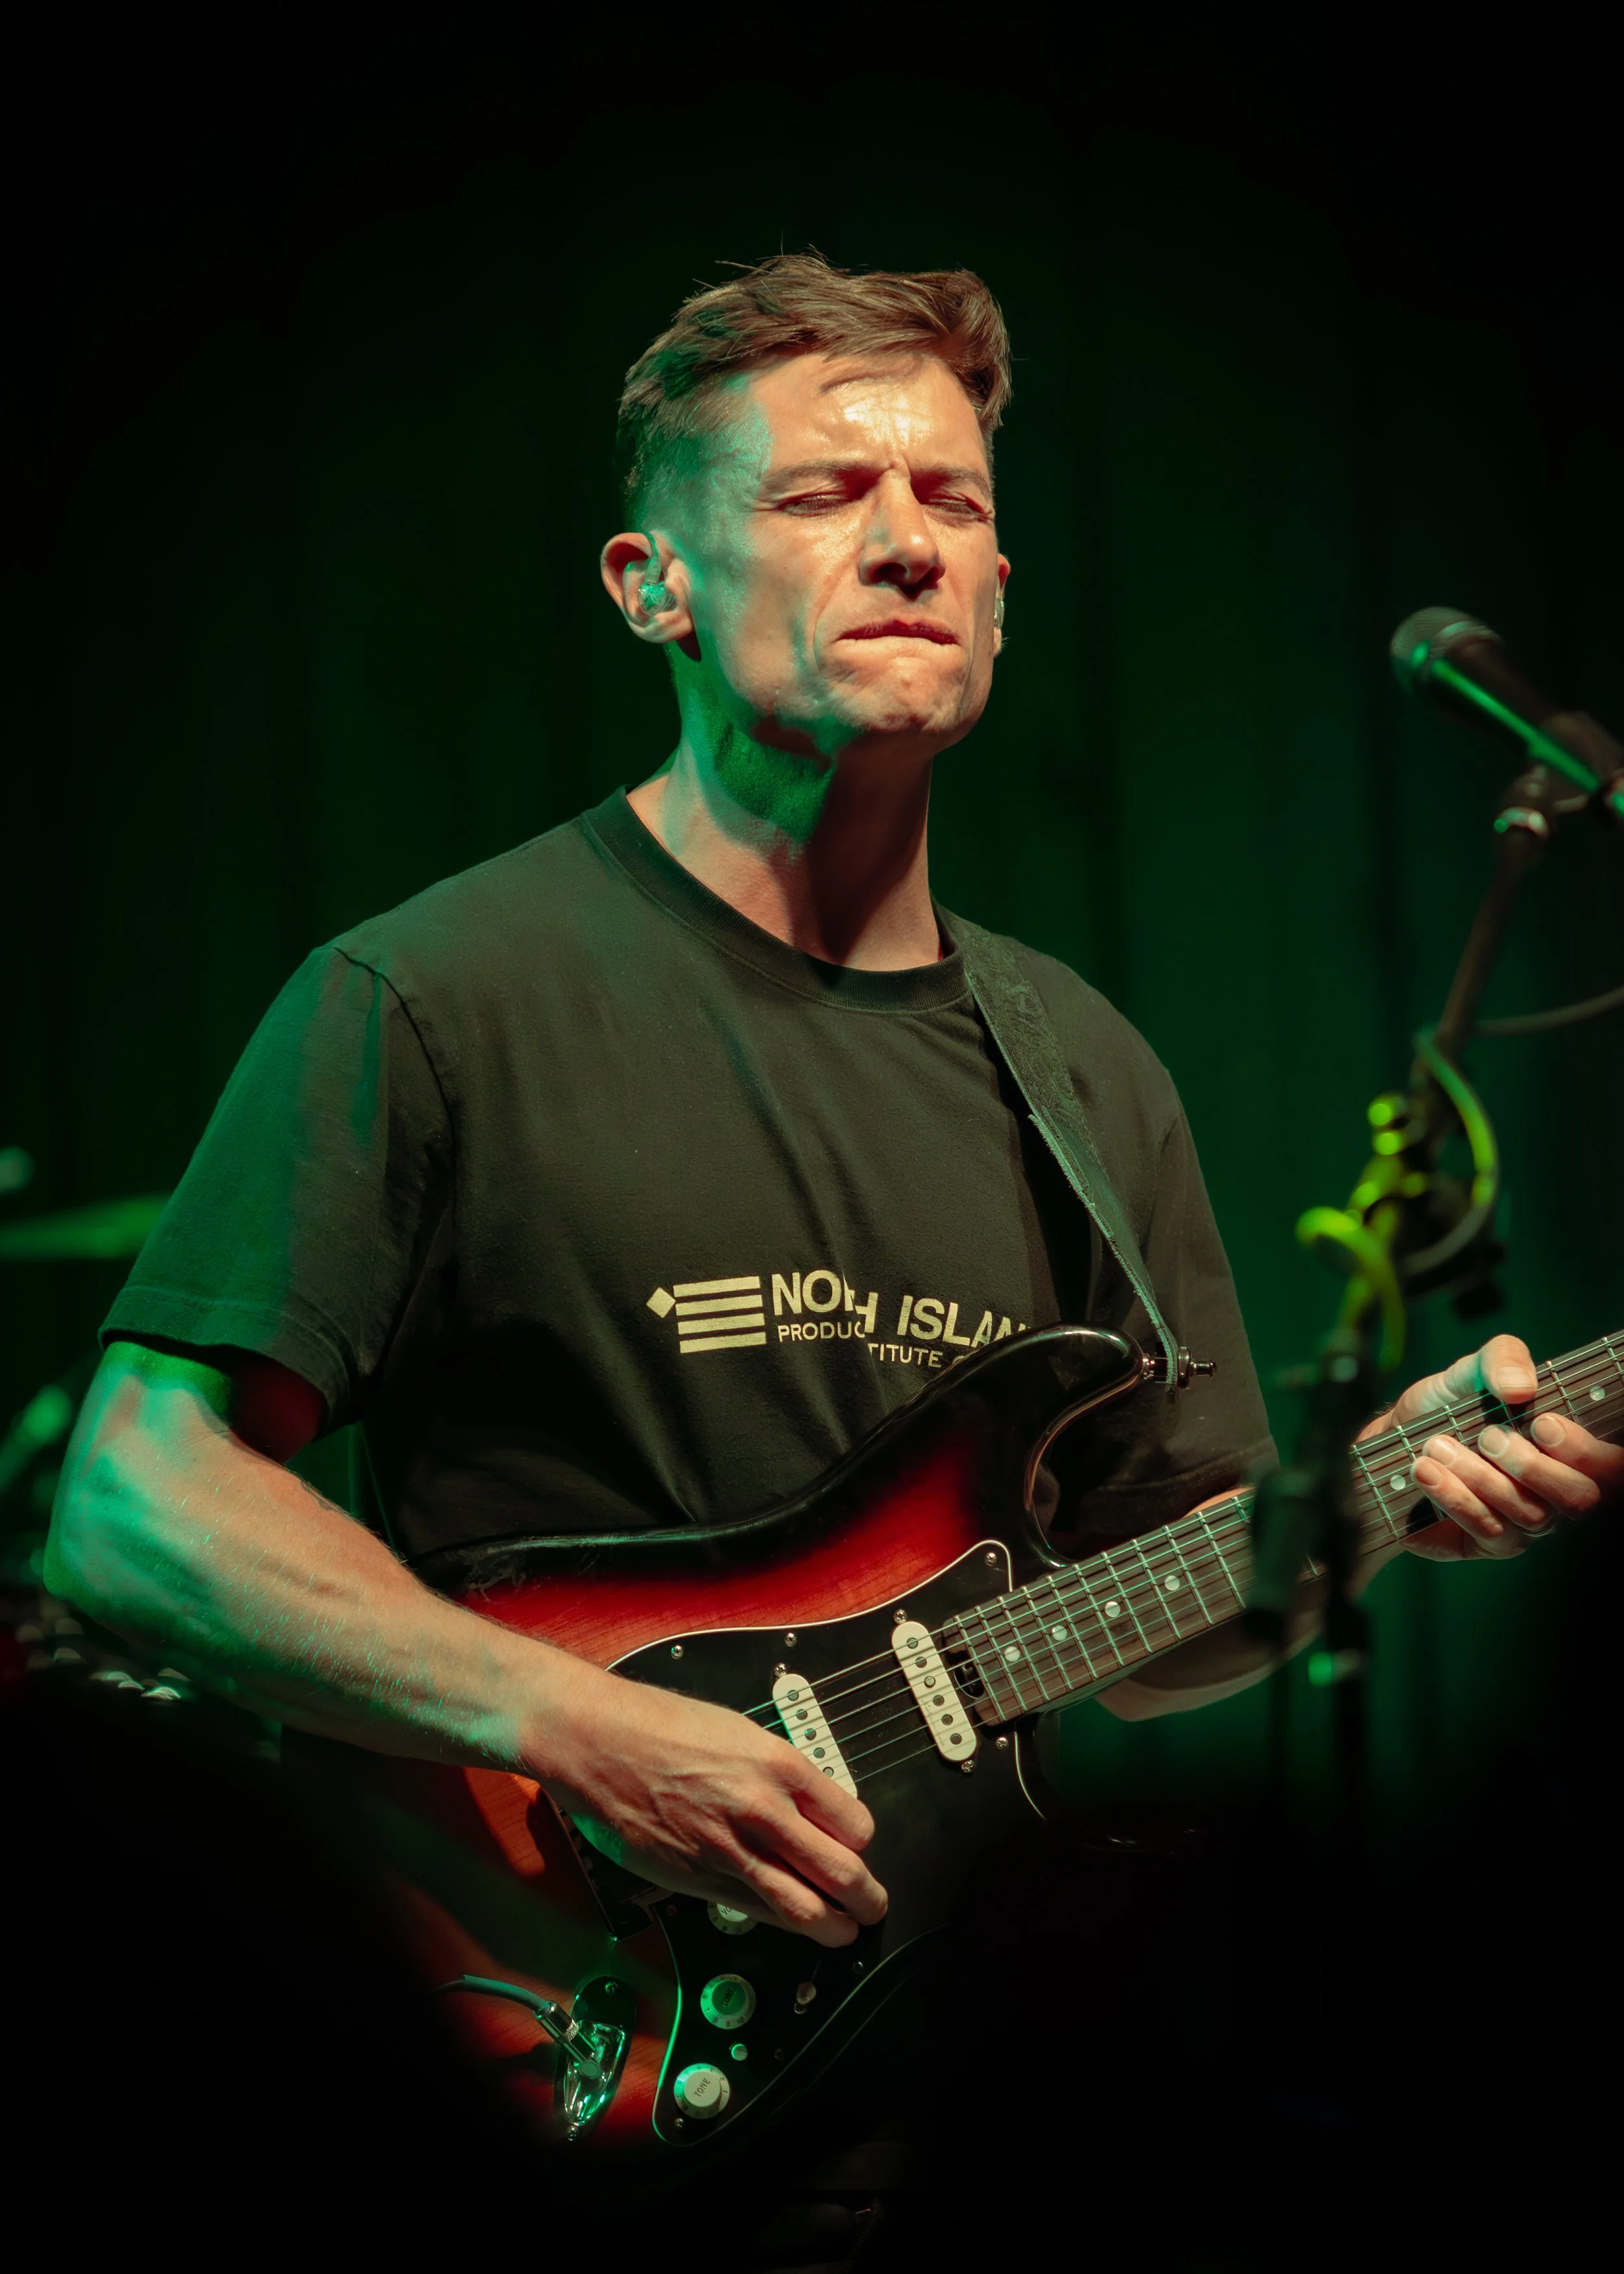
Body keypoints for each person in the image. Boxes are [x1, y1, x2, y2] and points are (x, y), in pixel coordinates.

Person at [45, 256, 1622, 2247]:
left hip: (956, 2114)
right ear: (651, 584)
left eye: (951, 499)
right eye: (819, 493)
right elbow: (133, 1501)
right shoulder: (435, 996)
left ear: (1001, 589)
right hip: (568, 2068)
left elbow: (1161, 1623)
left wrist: (1379, 1495)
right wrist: (577, 1722)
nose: (905, 540)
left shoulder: (1082, 1071)